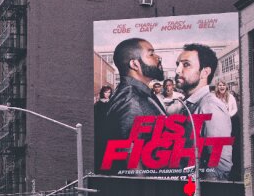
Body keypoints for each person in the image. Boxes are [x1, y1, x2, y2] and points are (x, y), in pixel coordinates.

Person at [100, 38, 167, 173]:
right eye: (151, 54)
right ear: (135, 64)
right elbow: (131, 161)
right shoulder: (130, 101)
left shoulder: (142, 93)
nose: (158, 57)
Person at [175, 43, 233, 180]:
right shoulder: (188, 103)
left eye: (186, 65)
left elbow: (219, 166)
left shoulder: (210, 106)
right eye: (178, 64)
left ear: (205, 72)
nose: (177, 70)